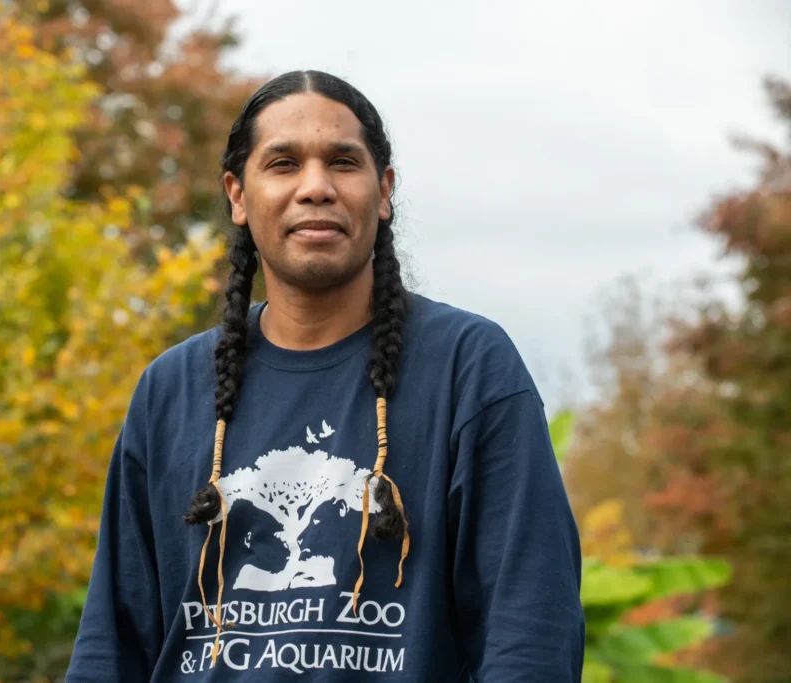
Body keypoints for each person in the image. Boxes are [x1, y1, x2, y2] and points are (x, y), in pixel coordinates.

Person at [65, 70, 584, 682]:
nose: (316, 187)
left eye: (343, 162)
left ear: (383, 190)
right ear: (237, 195)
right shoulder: (171, 390)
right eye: (283, 164)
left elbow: (530, 632)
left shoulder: (468, 367)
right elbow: (113, 642)